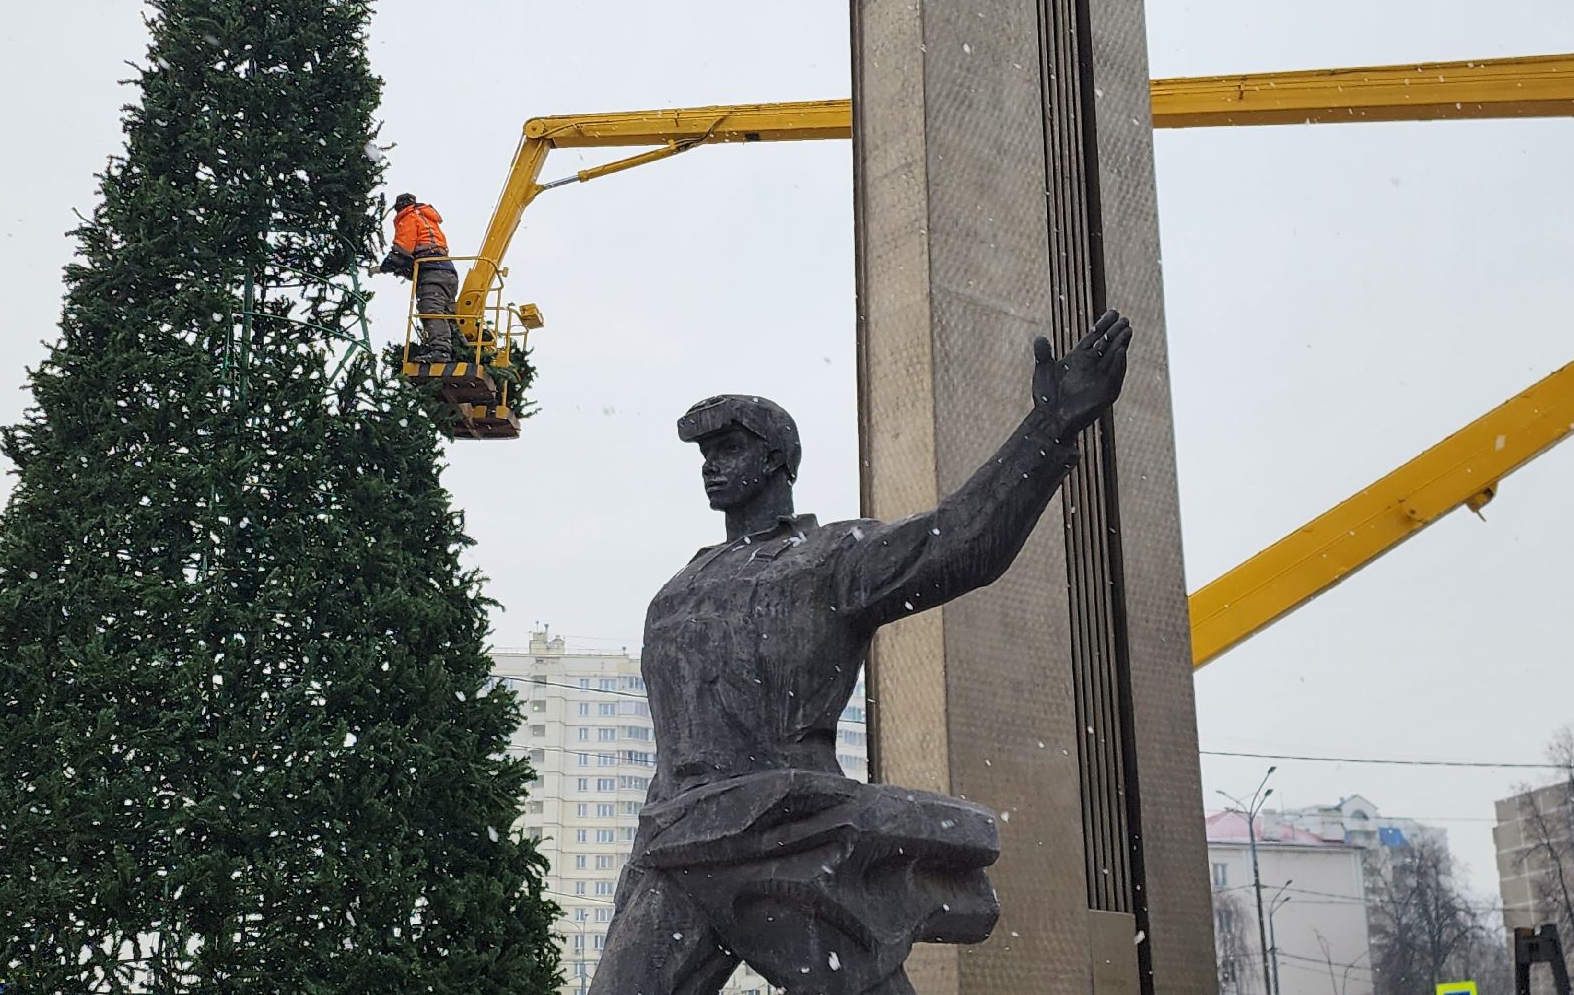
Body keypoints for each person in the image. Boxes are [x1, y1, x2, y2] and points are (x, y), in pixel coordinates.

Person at [588, 312, 1133, 994]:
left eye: (728, 448)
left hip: (786, 836)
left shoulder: (828, 559)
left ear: (776, 459)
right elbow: (675, 750)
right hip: (676, 843)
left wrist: (1051, 426)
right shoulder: (677, 589)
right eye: (705, 454)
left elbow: (960, 541)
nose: (710, 466)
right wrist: (639, 865)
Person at [378, 192, 459, 362]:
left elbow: (402, 249)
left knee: (431, 309)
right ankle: (461, 348)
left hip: (432, 272)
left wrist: (386, 265)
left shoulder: (409, 217)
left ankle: (441, 351)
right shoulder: (427, 218)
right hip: (447, 272)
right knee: (447, 312)